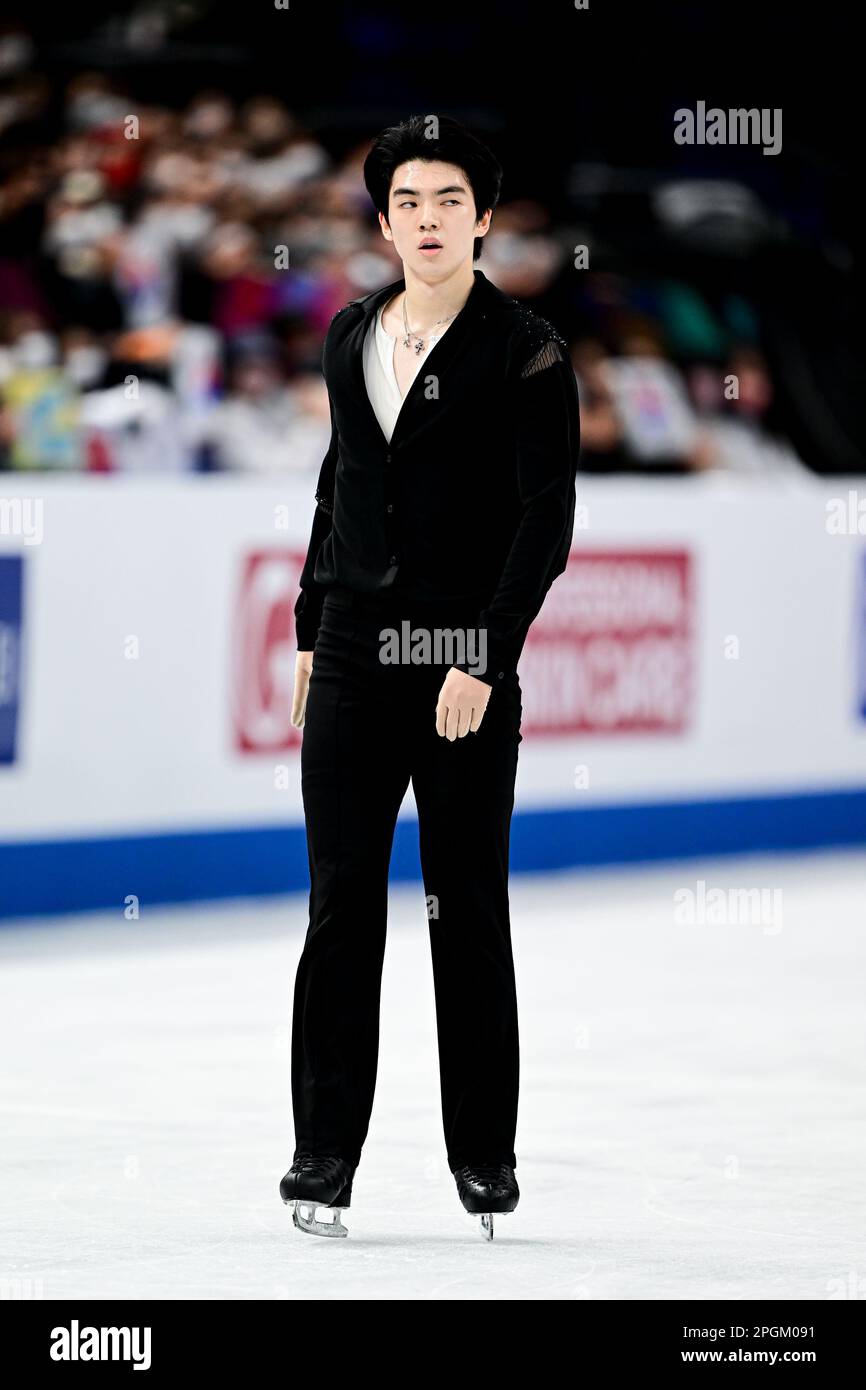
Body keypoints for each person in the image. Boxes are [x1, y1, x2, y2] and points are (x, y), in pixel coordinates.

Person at [279, 114, 580, 1239]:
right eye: (407, 200)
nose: (426, 219)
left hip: (461, 661)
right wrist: (312, 628)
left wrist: (488, 655)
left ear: (484, 217)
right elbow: (337, 485)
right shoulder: (351, 330)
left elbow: (542, 520)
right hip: (354, 654)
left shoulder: (526, 348)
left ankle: (483, 1160)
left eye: (448, 200)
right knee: (339, 911)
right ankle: (319, 1157)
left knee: (466, 916)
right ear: (383, 216)